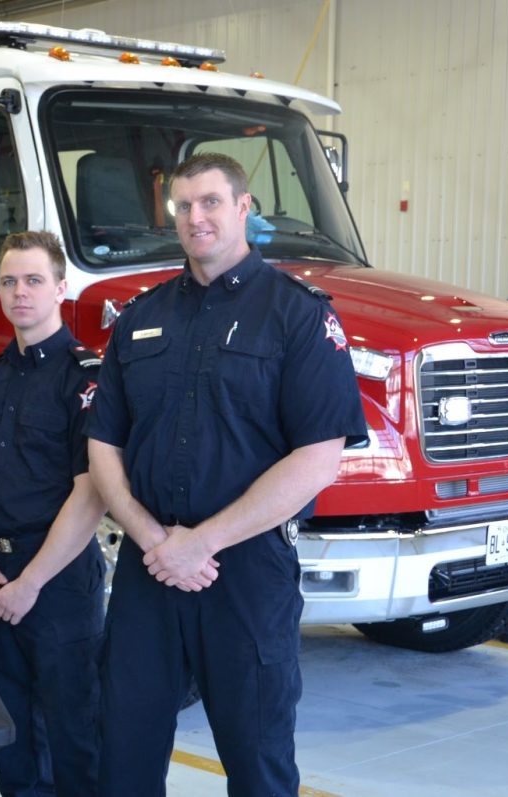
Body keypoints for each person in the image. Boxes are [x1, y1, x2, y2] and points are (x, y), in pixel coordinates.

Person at [87, 152, 365, 795]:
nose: (195, 218)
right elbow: (104, 445)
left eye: (211, 202)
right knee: (122, 751)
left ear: (244, 208)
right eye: (183, 206)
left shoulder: (298, 314)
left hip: (244, 569)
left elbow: (319, 455)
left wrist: (202, 542)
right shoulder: (139, 316)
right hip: (149, 569)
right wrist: (158, 542)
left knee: (258, 759)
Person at [0, 231, 107, 797]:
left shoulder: (83, 377)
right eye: (9, 281)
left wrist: (30, 583)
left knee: (73, 737)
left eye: (34, 280)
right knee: (10, 738)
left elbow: (90, 493)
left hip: (59, 583)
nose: (20, 292)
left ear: (61, 289)